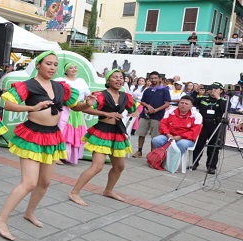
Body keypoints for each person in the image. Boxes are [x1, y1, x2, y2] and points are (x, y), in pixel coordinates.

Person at [0, 51, 94, 241]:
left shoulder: (60, 87)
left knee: (45, 181)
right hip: (32, 135)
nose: (52, 67)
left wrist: (86, 104)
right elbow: (8, 105)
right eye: (48, 63)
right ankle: (1, 220)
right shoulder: (28, 85)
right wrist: (31, 108)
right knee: (29, 183)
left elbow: (75, 107)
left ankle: (29, 212)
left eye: (55, 64)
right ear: (39, 65)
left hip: (52, 136)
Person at [68, 69, 140, 206]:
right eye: (115, 77)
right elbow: (85, 109)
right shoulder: (100, 95)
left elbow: (136, 107)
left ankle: (108, 190)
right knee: (97, 167)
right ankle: (74, 192)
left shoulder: (126, 96)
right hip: (102, 132)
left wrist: (135, 112)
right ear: (108, 80)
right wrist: (107, 114)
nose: (119, 80)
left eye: (121, 77)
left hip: (118, 133)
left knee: (119, 166)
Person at [54, 61, 90, 164]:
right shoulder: (60, 81)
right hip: (65, 109)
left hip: (77, 110)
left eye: (75, 67)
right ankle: (58, 155)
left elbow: (87, 94)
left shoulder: (81, 81)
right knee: (62, 130)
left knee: (75, 133)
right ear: (66, 71)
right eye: (71, 68)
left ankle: (70, 156)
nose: (74, 69)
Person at [133, 71, 171, 158]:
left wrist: (155, 110)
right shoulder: (147, 90)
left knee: (155, 136)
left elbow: (167, 103)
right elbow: (142, 102)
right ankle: (139, 151)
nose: (153, 80)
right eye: (151, 78)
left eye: (155, 78)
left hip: (157, 116)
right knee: (141, 133)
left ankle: (152, 154)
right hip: (145, 115)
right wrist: (148, 106)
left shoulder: (164, 90)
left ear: (160, 79)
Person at [192, 82, 227, 174]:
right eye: (211, 89)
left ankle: (211, 166)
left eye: (216, 89)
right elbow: (192, 101)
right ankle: (194, 163)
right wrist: (195, 92)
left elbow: (224, 109)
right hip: (203, 124)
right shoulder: (203, 98)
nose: (213, 91)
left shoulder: (224, 100)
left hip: (215, 125)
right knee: (198, 145)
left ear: (221, 90)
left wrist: (218, 98)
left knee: (214, 146)